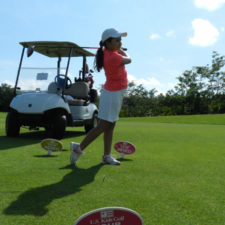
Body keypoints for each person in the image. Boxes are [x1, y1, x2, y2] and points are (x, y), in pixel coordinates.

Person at [70, 28, 132, 166]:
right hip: (113, 93)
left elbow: (110, 50)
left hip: (114, 92)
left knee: (111, 124)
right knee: (103, 125)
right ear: (108, 43)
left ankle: (106, 156)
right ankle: (78, 149)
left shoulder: (107, 52)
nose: (120, 42)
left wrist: (116, 48)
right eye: (117, 40)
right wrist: (122, 51)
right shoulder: (113, 57)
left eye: (120, 40)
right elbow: (129, 59)